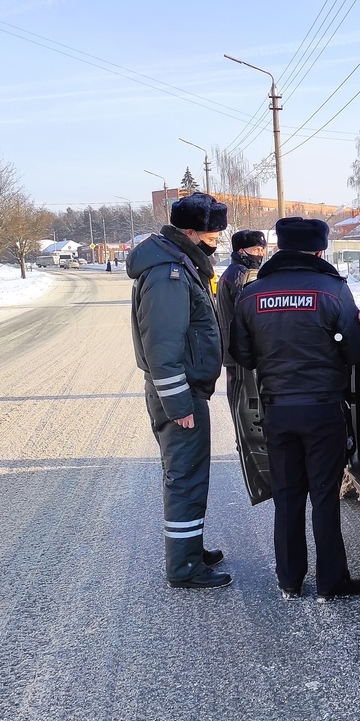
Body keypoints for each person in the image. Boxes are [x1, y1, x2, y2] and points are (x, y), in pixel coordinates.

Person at [230, 217, 360, 602]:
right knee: (324, 496)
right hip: (323, 409)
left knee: (288, 496)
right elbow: (358, 350)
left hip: (277, 410)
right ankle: (331, 582)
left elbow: (241, 355)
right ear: (320, 250)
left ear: (279, 248)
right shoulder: (332, 290)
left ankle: (290, 580)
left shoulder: (250, 294)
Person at [126, 192, 231, 590]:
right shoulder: (168, 273)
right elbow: (162, 347)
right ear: (191, 232)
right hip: (180, 393)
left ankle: (190, 549)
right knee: (184, 477)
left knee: (189, 474)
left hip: (187, 390)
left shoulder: (182, 263)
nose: (217, 240)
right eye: (212, 233)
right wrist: (178, 403)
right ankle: (184, 567)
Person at [216, 229, 268, 413]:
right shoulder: (242, 274)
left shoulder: (233, 271)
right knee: (247, 407)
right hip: (240, 350)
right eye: (255, 249)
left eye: (262, 249)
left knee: (240, 400)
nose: (260, 254)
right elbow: (250, 313)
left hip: (234, 348)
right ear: (241, 251)